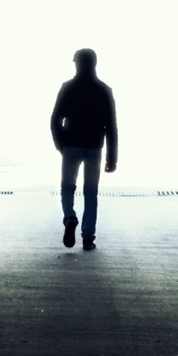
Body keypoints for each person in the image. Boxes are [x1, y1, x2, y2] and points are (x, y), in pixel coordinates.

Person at [50, 48, 117, 250]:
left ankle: (70, 217)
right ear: (95, 64)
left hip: (70, 145)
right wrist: (111, 158)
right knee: (91, 192)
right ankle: (88, 237)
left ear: (76, 63)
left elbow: (55, 119)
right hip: (94, 147)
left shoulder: (68, 88)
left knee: (68, 188)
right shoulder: (104, 90)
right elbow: (111, 126)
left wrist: (61, 144)